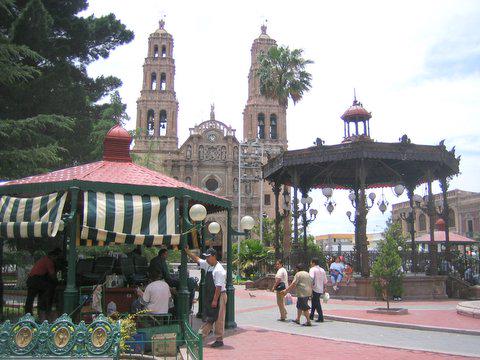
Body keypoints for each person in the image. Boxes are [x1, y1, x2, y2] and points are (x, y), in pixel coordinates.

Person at [185, 247, 226, 348]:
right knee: (211, 317)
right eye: (206, 257)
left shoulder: (219, 270)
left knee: (218, 318)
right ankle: (203, 337)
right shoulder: (208, 265)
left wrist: (215, 300)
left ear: (214, 256)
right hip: (212, 296)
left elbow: (218, 287)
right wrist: (188, 252)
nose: (207, 259)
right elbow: (198, 259)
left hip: (219, 295)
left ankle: (218, 339)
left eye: (208, 257)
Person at [25, 248, 62, 321]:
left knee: (30, 299)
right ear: (53, 256)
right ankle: (42, 314)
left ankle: (29, 315)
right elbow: (52, 275)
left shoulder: (43, 259)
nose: (56, 259)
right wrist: (57, 282)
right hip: (37, 280)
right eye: (56, 257)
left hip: (32, 280)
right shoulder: (49, 262)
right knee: (43, 296)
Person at [309, 258, 327, 322]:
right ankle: (311, 315)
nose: (310, 264)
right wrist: (325, 288)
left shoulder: (312, 269)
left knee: (316, 303)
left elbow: (311, 279)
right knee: (314, 302)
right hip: (320, 288)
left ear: (313, 263)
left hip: (314, 288)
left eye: (311, 262)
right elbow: (325, 281)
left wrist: (310, 289)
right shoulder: (322, 270)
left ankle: (321, 317)